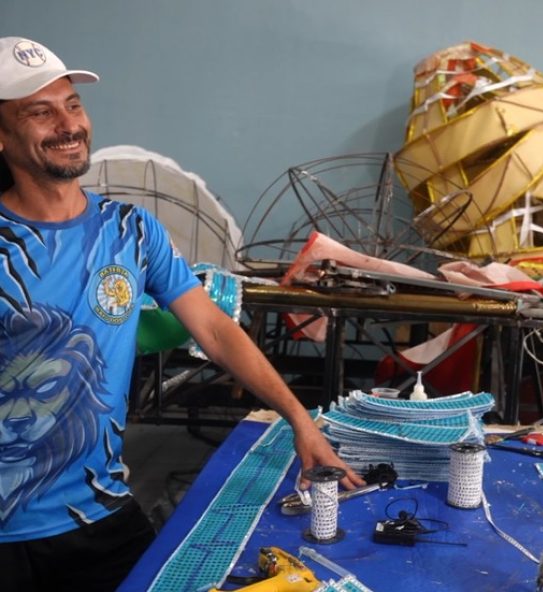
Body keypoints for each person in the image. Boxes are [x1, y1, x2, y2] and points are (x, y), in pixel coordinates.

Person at [0, 37, 364, 592]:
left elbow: (216, 331)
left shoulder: (130, 230)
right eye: (40, 112)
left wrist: (300, 419)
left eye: (73, 104)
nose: (67, 124)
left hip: (99, 512)